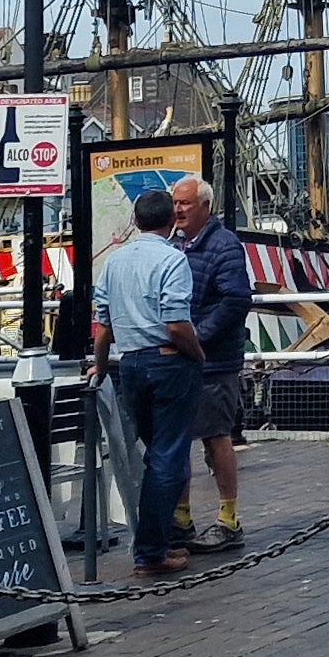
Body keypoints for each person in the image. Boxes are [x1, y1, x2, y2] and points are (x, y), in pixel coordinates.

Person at [91, 188, 203, 577]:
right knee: (168, 458)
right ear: (171, 221)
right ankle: (152, 551)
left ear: (136, 222)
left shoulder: (114, 263)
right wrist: (198, 354)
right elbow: (175, 323)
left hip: (132, 364)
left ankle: (154, 543)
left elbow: (102, 328)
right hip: (169, 362)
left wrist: (100, 368)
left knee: (154, 454)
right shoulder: (173, 260)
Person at [168, 178, 253, 550]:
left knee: (217, 436)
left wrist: (197, 336)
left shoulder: (224, 246)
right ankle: (181, 516)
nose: (178, 210)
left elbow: (235, 300)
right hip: (181, 356)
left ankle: (228, 517)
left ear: (205, 206)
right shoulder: (174, 245)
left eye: (185, 203)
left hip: (215, 360)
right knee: (179, 436)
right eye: (174, 203)